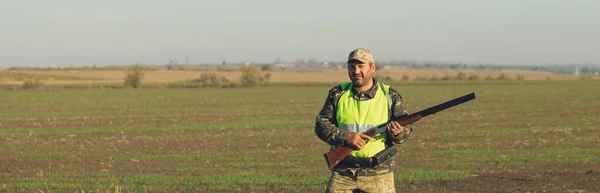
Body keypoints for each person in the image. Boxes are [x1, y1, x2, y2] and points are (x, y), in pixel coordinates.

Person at [315, 48, 414, 193]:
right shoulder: (337, 94)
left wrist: (398, 133)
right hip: (344, 173)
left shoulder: (390, 96)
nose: (356, 71)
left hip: (380, 174)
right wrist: (346, 137)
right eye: (352, 67)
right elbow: (320, 125)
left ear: (372, 68)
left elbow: (406, 131)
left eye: (361, 66)